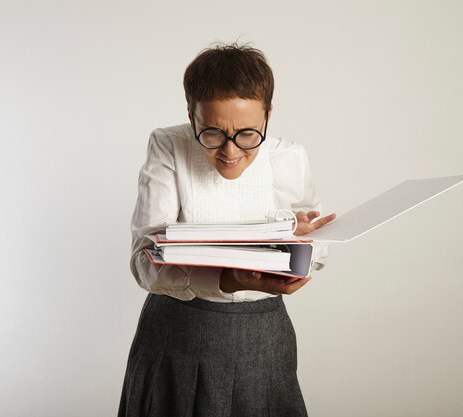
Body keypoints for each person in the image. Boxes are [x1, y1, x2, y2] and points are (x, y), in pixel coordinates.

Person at [118, 43, 336, 417]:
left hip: (264, 339)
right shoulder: (169, 146)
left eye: (249, 133)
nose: (230, 151)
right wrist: (230, 279)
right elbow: (144, 262)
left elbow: (317, 247)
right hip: (178, 337)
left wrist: (298, 242)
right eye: (213, 133)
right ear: (191, 116)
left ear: (268, 115)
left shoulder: (288, 158)